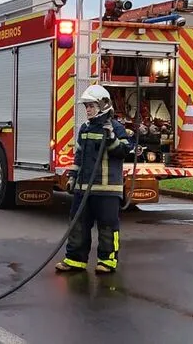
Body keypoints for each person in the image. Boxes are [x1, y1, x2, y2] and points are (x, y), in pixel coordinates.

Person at [55, 84, 130, 274]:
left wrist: (111, 137)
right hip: (83, 188)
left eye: (91, 106)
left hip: (107, 190)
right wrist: (72, 177)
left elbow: (123, 151)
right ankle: (75, 260)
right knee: (77, 223)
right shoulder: (85, 128)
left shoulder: (116, 128)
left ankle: (107, 261)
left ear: (104, 106)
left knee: (107, 226)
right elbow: (79, 156)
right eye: (86, 106)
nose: (87, 110)